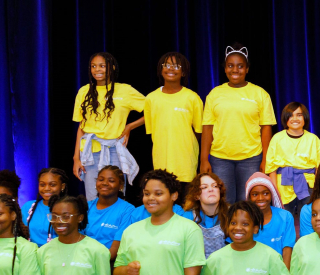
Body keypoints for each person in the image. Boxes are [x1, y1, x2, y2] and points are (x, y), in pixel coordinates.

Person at [200, 43, 277, 203]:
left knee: (247, 201)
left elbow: (266, 128)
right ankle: (226, 229)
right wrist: (204, 160)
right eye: (230, 66)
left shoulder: (260, 94)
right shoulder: (214, 94)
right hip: (220, 158)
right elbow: (207, 128)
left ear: (247, 69)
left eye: (240, 66)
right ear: (225, 68)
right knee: (224, 202)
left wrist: (265, 160)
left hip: (251, 158)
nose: (235, 70)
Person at [71, 52, 144, 201]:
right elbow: (81, 127)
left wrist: (130, 126)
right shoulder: (84, 91)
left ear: (111, 68)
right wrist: (76, 158)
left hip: (115, 150)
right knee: (92, 197)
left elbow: (153, 110)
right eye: (93, 66)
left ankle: (116, 225)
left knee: (116, 196)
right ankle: (94, 225)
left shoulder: (125, 90)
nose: (97, 69)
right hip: (90, 152)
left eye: (102, 66)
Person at [144, 52, 203, 191]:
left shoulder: (192, 98)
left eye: (176, 66)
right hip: (161, 165)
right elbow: (153, 132)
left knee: (185, 208)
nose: (171, 68)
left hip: (186, 166)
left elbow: (199, 132)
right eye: (167, 65)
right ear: (160, 69)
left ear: (183, 72)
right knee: (164, 206)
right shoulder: (151, 99)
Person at [264, 102, 320, 218]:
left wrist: (317, 189)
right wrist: (274, 190)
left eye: (299, 115)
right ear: (285, 118)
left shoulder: (313, 139)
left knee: (308, 217)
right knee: (283, 218)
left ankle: (308, 236)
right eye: (291, 115)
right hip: (283, 184)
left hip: (308, 184)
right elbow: (271, 168)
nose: (295, 118)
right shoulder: (277, 139)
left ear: (305, 117)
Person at [181, 173, 230, 258]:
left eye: (215, 186)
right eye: (204, 187)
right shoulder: (188, 216)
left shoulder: (232, 214)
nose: (211, 189)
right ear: (196, 195)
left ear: (220, 191)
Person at [21, 168, 72, 246]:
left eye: (52, 185)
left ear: (62, 186)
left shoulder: (69, 208)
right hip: (31, 254)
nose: (47, 188)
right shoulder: (28, 207)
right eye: (42, 185)